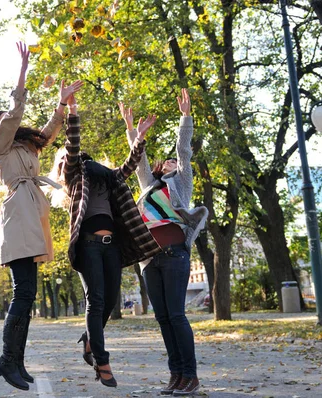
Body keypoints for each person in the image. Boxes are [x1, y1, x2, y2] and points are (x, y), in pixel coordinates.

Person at [0, 42, 82, 391]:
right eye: (3, 123)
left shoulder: (26, 147)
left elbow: (50, 131)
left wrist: (63, 103)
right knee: (23, 293)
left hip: (30, 214)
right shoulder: (1, 146)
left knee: (27, 293)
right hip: (18, 216)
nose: (10, 125)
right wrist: (22, 72)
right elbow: (15, 113)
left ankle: (14, 361)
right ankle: (8, 360)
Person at [49, 94, 159, 387]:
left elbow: (128, 167)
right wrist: (72, 110)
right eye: (63, 158)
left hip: (111, 246)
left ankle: (89, 337)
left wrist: (138, 137)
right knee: (95, 301)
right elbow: (72, 146)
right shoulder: (74, 177)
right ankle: (102, 361)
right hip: (87, 246)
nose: (68, 158)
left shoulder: (107, 176)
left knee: (109, 300)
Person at [120, 89, 208, 396]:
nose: (171, 161)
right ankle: (176, 375)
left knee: (176, 315)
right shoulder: (148, 186)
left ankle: (190, 375)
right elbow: (139, 160)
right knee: (162, 317)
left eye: (173, 161)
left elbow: (184, 152)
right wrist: (132, 130)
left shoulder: (180, 184)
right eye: (167, 160)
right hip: (149, 259)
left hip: (173, 254)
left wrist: (186, 118)